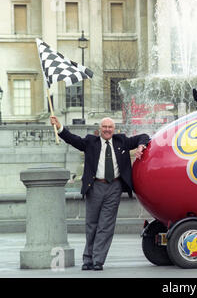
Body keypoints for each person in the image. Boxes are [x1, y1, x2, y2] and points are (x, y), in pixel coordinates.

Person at [50, 116, 150, 271]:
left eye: (110, 127)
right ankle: (87, 259)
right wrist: (59, 127)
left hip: (114, 187)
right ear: (100, 129)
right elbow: (73, 139)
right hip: (95, 186)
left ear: (114, 129)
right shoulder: (91, 142)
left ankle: (98, 260)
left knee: (106, 225)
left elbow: (144, 136)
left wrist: (141, 146)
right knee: (92, 224)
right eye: (104, 127)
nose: (107, 130)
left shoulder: (122, 140)